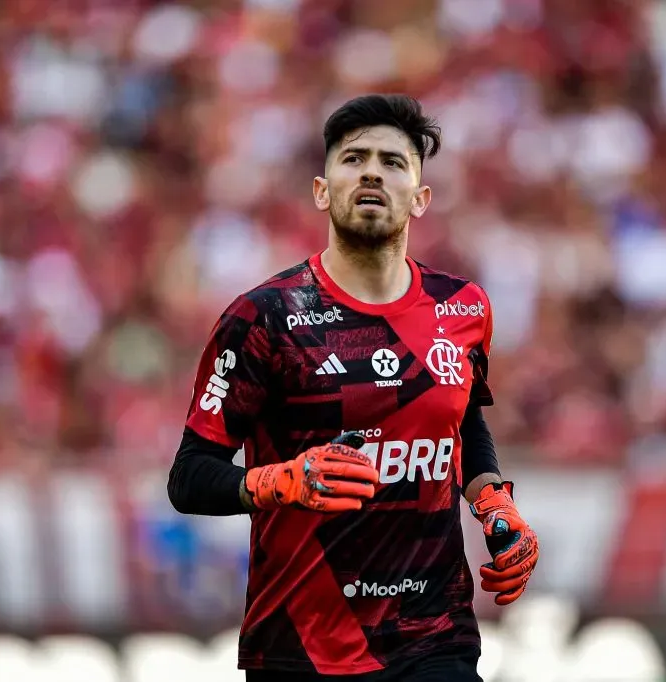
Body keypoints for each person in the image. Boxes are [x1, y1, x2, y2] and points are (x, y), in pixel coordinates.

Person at [167, 94, 539, 682]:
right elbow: (189, 477)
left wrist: (492, 499)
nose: (372, 172)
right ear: (322, 190)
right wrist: (279, 481)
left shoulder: (463, 307)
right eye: (354, 158)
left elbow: (463, 418)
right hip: (302, 647)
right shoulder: (263, 318)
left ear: (420, 198)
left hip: (434, 638)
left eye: (393, 162)